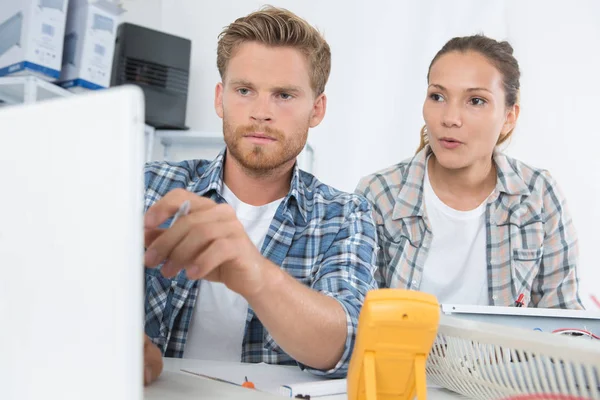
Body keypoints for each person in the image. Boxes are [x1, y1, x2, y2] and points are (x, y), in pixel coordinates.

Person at [142, 6, 378, 385]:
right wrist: (120, 345)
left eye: (284, 95)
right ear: (220, 98)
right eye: (244, 90)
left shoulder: (344, 215)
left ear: (316, 109)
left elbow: (348, 343)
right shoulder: (150, 187)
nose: (261, 112)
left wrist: (255, 273)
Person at [356, 34, 583, 310]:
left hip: (509, 356)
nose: (450, 118)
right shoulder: (378, 194)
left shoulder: (539, 194)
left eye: (476, 101)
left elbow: (563, 320)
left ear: (509, 118)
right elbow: (358, 318)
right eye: (437, 96)